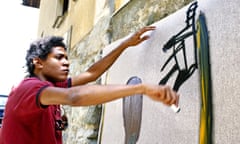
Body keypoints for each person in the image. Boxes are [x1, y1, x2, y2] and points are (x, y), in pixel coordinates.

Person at [0, 26, 179, 144]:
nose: (66, 63)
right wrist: (141, 88)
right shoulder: (28, 88)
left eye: (67, 58)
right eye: (59, 57)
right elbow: (74, 96)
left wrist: (125, 44)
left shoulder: (53, 87)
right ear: (38, 63)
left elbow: (91, 74)